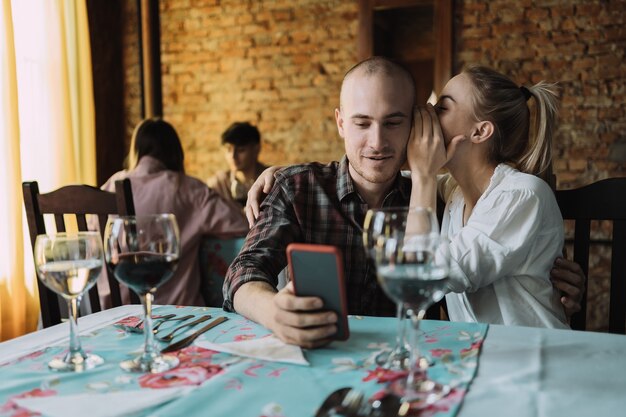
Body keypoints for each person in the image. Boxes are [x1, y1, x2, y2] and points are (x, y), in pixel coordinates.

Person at [224, 57, 583, 348]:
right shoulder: (298, 188)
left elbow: (429, 272)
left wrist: (548, 278)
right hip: (346, 358)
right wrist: (273, 309)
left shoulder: (434, 194)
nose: (377, 142)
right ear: (340, 123)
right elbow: (243, 271)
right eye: (362, 123)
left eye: (394, 122)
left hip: (495, 357)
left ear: (413, 123)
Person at [407, 66, 569, 327]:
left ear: (480, 132)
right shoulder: (454, 193)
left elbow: (421, 278)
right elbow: (391, 179)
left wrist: (423, 175)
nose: (429, 112)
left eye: (442, 107)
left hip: (533, 354)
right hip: (478, 354)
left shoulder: (523, 195)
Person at [102, 118, 248, 306]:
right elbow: (242, 223)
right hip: (175, 317)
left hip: (108, 316)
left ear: (136, 150)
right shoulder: (188, 189)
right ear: (175, 152)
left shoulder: (111, 184)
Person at [207, 122, 268, 208]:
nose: (233, 156)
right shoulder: (219, 184)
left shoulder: (271, 180)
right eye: (228, 150)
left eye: (240, 150)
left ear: (256, 149)